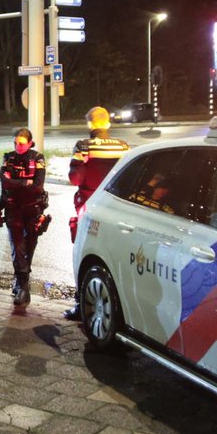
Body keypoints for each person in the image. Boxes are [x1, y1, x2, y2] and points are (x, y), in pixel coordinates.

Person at [64, 105, 130, 320]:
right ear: (108, 124)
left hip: (90, 209)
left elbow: (75, 178)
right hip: (116, 210)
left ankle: (82, 304)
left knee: (85, 254)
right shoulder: (123, 146)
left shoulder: (84, 146)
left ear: (90, 124)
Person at [0, 128, 50, 306]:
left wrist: (17, 184)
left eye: (22, 143)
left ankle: (20, 282)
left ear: (30, 143)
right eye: (16, 143)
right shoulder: (8, 157)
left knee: (29, 247)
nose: (18, 147)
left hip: (33, 209)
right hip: (13, 208)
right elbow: (4, 181)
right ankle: (23, 287)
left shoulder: (37, 158)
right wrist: (24, 183)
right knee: (17, 246)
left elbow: (38, 186)